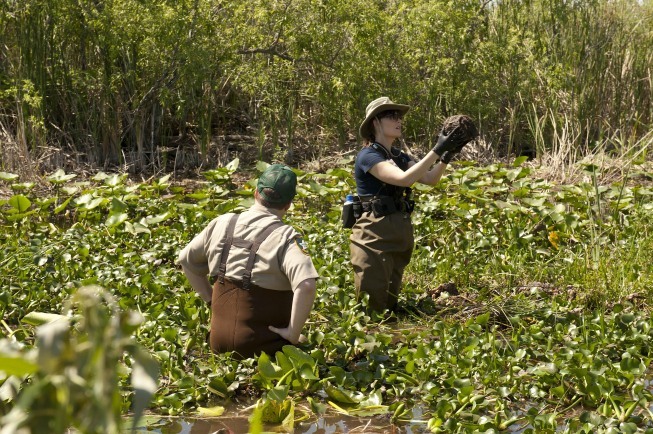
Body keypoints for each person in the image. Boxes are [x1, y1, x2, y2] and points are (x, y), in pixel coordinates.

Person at [178, 164, 319, 359]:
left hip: (218, 343)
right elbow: (307, 285)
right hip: (263, 350)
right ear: (288, 204)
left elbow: (186, 261)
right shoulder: (287, 237)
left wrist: (211, 300)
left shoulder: (222, 222)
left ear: (255, 193)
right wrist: (292, 334)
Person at [350, 96, 470, 313]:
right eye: (391, 115)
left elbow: (430, 179)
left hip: (399, 229)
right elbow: (404, 179)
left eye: (399, 116)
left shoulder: (399, 155)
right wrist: (436, 148)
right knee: (370, 305)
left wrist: (446, 155)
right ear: (375, 122)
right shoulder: (368, 155)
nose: (398, 120)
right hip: (373, 232)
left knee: (390, 302)